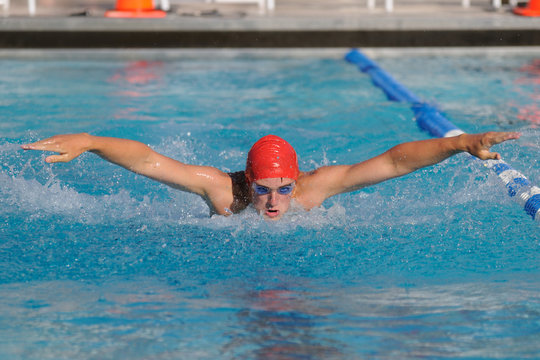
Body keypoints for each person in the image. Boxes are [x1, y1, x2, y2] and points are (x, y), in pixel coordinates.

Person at [21, 131, 520, 220]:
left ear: (297, 181)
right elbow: (147, 160)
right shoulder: (224, 192)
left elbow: (393, 162)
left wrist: (458, 144)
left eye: (283, 189)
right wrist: (91, 142)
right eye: (264, 190)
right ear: (247, 181)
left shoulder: (313, 189)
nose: (276, 203)